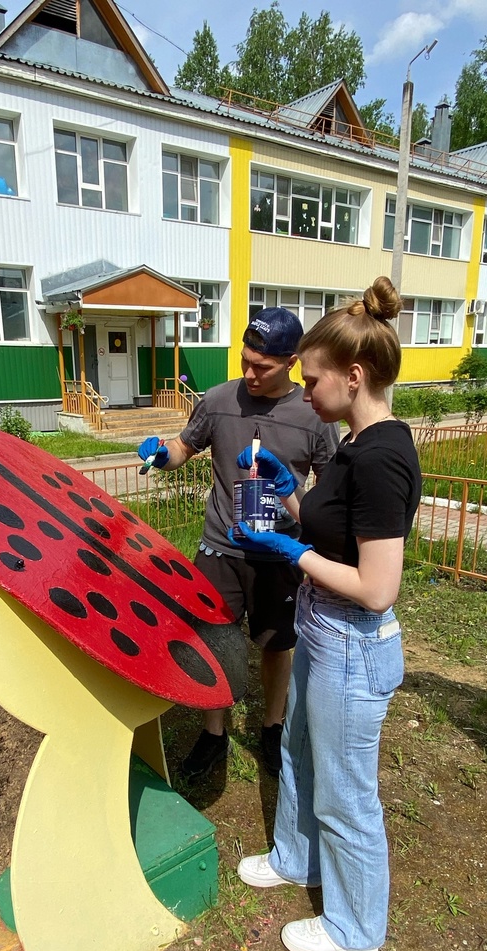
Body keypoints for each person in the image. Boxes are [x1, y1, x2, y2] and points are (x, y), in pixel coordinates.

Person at [229, 277, 422, 951]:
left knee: (345, 794)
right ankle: (295, 858)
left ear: (355, 375)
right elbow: (325, 520)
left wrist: (293, 552)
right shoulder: (351, 445)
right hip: (321, 630)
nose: (305, 394)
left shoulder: (384, 457)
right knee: (297, 756)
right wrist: (288, 494)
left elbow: (376, 587)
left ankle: (355, 930)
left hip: (351, 644)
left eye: (312, 382)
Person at [137, 308, 339, 780]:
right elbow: (186, 447)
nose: (249, 373)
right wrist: (163, 454)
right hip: (219, 551)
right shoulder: (218, 399)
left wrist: (309, 538)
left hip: (280, 554)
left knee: (276, 644)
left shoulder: (314, 415)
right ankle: (213, 734)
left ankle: (272, 727)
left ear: (290, 361)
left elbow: (328, 496)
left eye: (262, 366)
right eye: (245, 360)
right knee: (212, 640)